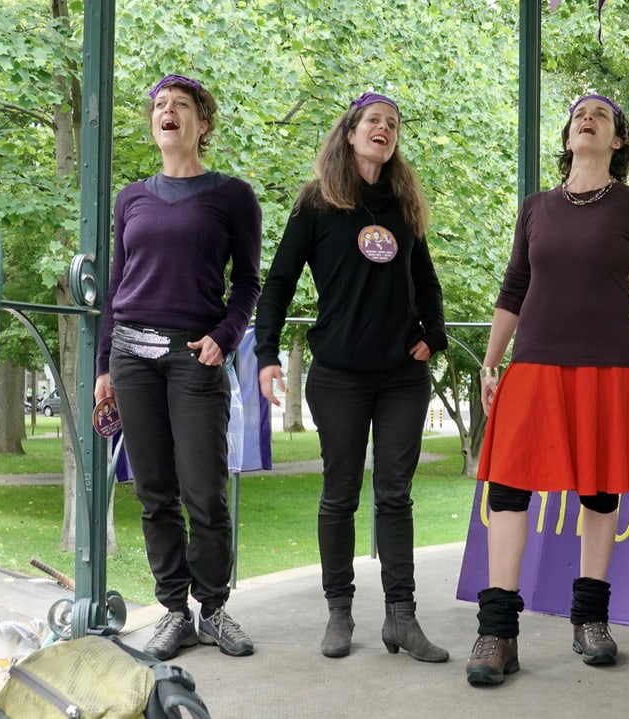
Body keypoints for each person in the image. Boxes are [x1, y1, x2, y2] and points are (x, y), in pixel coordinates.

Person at [465, 94, 629, 686]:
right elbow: (513, 288)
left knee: (599, 493)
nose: (586, 119)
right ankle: (498, 634)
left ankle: (590, 621)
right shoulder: (536, 207)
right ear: (568, 138)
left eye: (602, 116)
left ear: (617, 141)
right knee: (509, 491)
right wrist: (491, 365)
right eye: (579, 115)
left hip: (608, 369)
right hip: (533, 368)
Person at [253, 91, 449, 663]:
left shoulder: (405, 206)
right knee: (339, 496)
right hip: (337, 376)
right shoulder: (317, 203)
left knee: (396, 496)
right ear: (350, 132)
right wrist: (266, 354)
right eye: (373, 121)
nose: (383, 129)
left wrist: (433, 337)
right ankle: (340, 612)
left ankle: (401, 619)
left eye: (392, 123)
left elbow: (428, 284)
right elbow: (279, 284)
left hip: (400, 378)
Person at [94, 73, 262, 660]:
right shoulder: (130, 198)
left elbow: (247, 284)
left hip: (196, 356)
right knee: (154, 492)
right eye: (160, 106)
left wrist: (225, 336)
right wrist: (103, 367)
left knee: (204, 491)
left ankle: (214, 608)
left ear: (202, 123)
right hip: (132, 357)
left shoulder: (232, 196)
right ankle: (174, 612)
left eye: (181, 105)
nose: (167, 112)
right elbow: (116, 285)